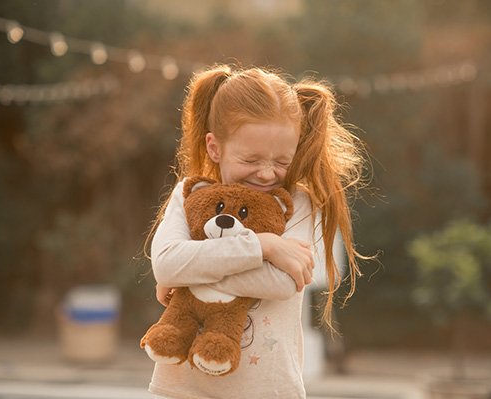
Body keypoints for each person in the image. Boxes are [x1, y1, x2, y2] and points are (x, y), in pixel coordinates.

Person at [145, 64, 368, 399]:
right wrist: (263, 246)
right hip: (180, 389)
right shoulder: (190, 194)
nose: (266, 174)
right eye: (251, 159)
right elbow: (165, 265)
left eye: (281, 161)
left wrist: (189, 275)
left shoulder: (296, 205)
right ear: (215, 147)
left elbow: (281, 283)